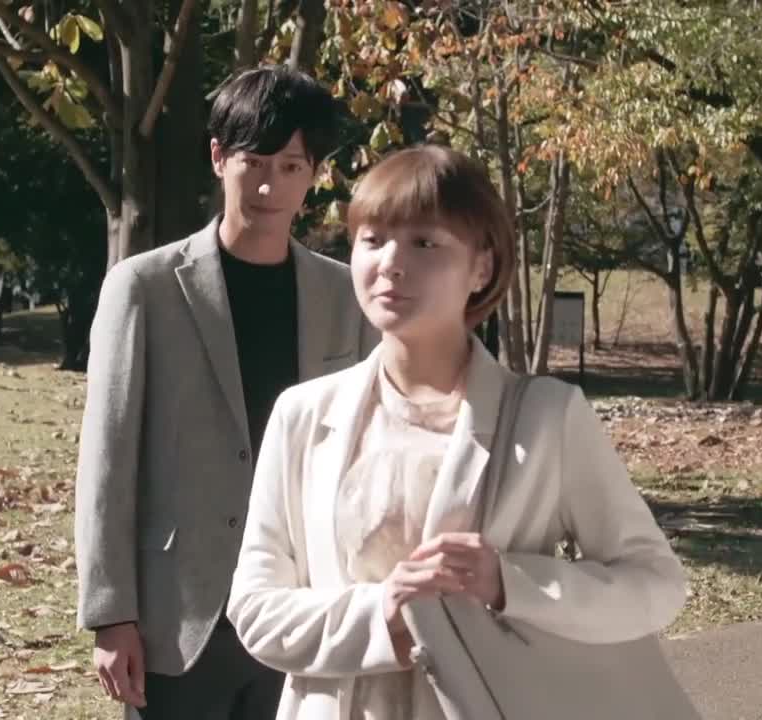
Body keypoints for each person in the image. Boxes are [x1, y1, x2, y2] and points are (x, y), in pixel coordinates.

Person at [226, 145, 688, 719]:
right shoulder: (302, 414)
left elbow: (655, 585)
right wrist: (382, 615)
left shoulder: (547, 417)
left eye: (425, 243)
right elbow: (255, 607)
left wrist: (510, 583)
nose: (391, 263)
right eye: (373, 239)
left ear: (481, 268)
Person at [74, 65, 377, 720]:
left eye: (291, 166)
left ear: (314, 173)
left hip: (303, 609)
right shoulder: (144, 287)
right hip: (180, 617)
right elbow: (108, 458)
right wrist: (110, 613)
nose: (270, 186)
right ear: (218, 157)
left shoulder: (346, 297)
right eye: (254, 162)